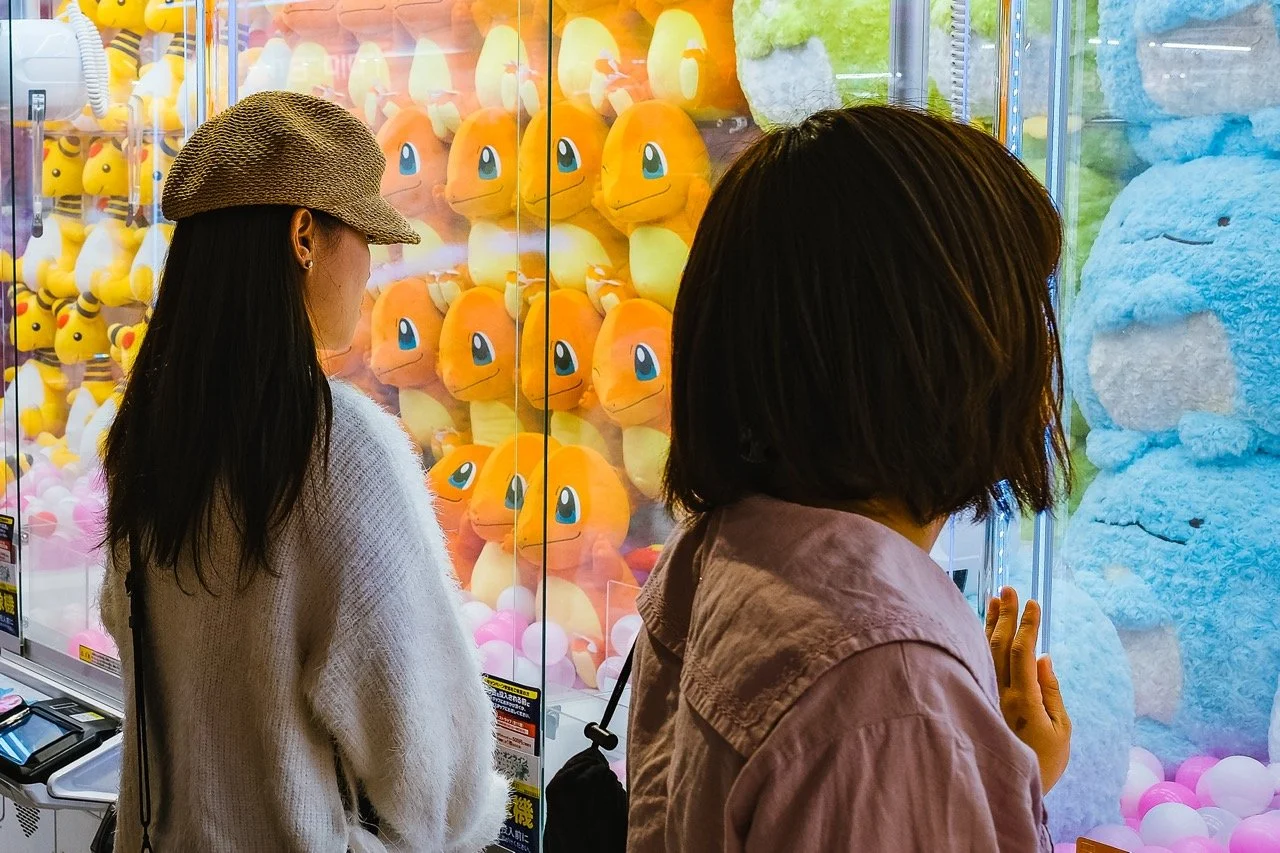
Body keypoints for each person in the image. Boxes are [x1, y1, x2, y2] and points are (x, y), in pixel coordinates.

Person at [626, 105, 1074, 851]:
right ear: (944, 354)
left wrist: (982, 772)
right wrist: (954, 760)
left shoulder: (719, 549)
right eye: (1023, 308)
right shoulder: (891, 689)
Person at [99, 92, 509, 852]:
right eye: (364, 235)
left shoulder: (148, 429)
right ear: (304, 235)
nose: (370, 266)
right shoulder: (334, 448)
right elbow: (435, 776)